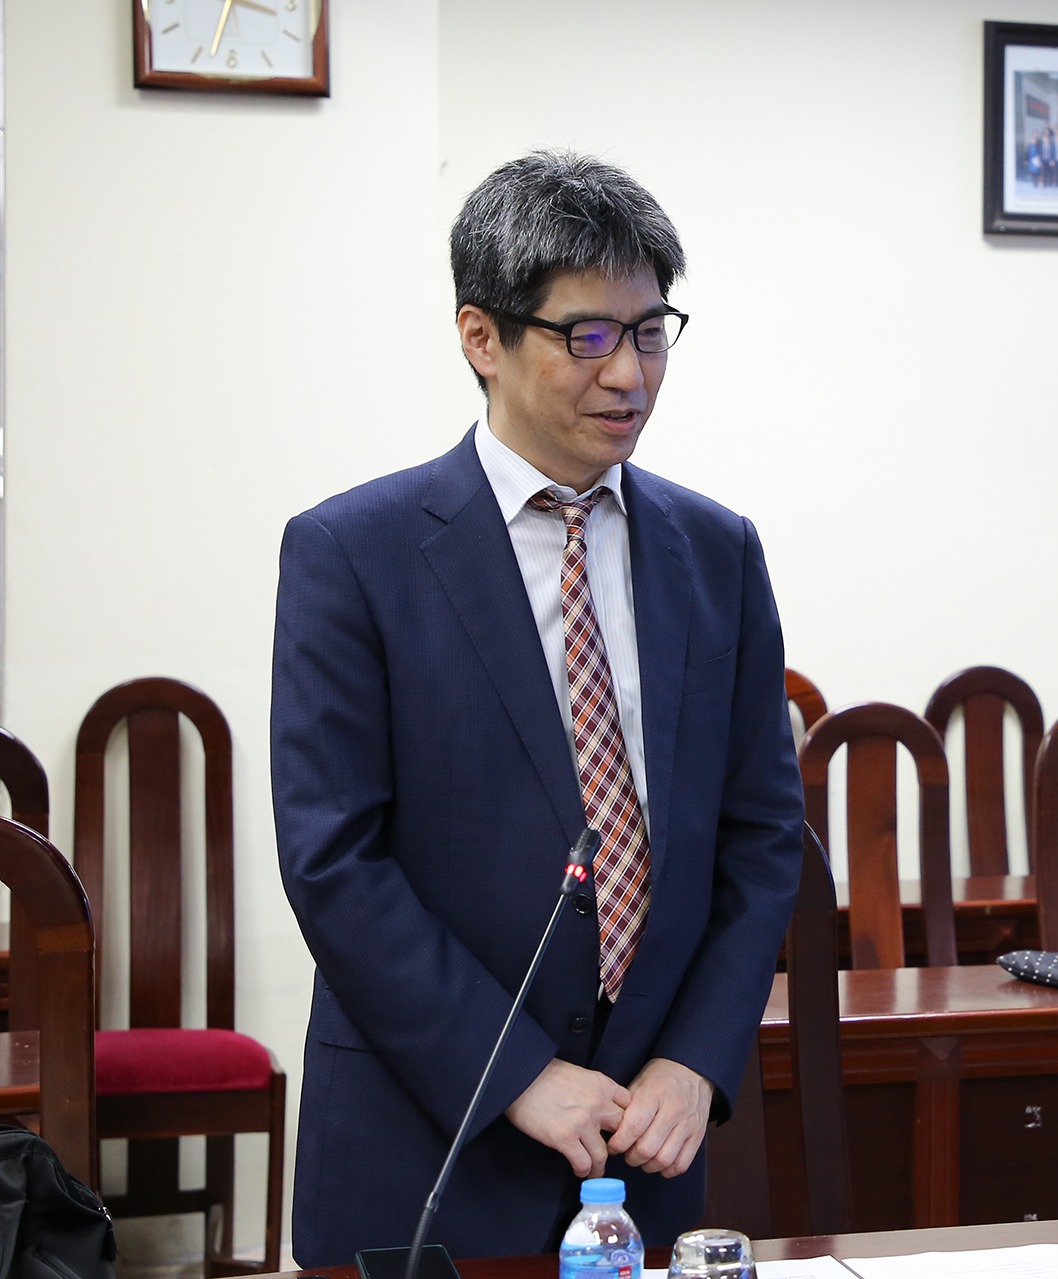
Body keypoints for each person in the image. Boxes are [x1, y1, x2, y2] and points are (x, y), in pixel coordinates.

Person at [272, 151, 803, 1262]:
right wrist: (510, 1072)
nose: (630, 375)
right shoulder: (352, 553)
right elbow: (334, 860)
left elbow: (761, 840)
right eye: (588, 336)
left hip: (646, 1138)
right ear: (482, 337)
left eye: (650, 331)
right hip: (425, 1136)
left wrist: (696, 1058)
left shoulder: (718, 551)